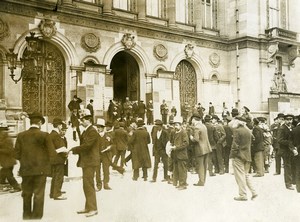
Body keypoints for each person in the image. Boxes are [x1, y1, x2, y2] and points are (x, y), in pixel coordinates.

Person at [14, 111, 55, 220]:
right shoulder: (45, 135)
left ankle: (27, 217)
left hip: (26, 170)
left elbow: (16, 154)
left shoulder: (21, 135)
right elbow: (52, 153)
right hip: (41, 170)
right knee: (39, 194)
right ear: (40, 123)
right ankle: (36, 218)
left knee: (26, 194)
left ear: (30, 122)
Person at [70, 110, 100, 217]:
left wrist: (73, 149)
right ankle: (88, 207)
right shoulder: (86, 130)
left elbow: (87, 146)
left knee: (89, 185)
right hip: (87, 161)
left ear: (88, 120)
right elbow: (83, 142)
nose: (81, 121)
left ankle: (93, 208)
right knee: (86, 185)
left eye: (83, 120)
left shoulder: (92, 131)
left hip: (90, 161)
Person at [230, 116, 257, 201]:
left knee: (240, 176)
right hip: (247, 156)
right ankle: (254, 192)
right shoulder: (248, 131)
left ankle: (243, 194)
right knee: (246, 175)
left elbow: (235, 145)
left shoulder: (237, 131)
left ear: (238, 122)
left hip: (239, 156)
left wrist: (232, 156)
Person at [189, 114, 212, 186]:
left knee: (200, 166)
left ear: (194, 120)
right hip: (206, 148)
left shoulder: (197, 128)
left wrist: (191, 137)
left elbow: (196, 139)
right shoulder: (203, 126)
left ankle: (201, 181)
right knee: (205, 165)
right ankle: (203, 180)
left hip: (200, 149)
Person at [277, 114, 298, 190]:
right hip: (284, 150)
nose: (290, 121)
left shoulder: (292, 127)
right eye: (288, 120)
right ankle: (288, 184)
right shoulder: (282, 128)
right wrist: (289, 143)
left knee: (293, 165)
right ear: (285, 120)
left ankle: (293, 181)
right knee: (287, 166)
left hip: (291, 150)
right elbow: (279, 140)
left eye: (291, 120)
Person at [49, 118, 68, 200]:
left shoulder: (52, 134)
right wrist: (66, 153)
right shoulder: (56, 135)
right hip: (58, 159)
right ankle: (57, 193)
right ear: (58, 125)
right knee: (59, 176)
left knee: (55, 176)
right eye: (60, 125)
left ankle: (53, 193)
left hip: (54, 159)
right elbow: (60, 147)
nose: (61, 126)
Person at [0, 124, 21, 193]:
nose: (1, 133)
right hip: (5, 161)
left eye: (2, 131)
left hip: (8, 161)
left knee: (9, 175)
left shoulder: (7, 140)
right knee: (3, 173)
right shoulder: (3, 139)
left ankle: (17, 187)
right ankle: (2, 182)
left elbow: (9, 150)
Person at [170, 117, 189, 190]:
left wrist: (176, 147)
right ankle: (180, 183)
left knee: (182, 170)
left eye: (177, 125)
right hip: (176, 155)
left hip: (181, 154)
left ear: (181, 125)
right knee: (177, 170)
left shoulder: (183, 132)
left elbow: (186, 143)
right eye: (175, 125)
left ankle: (183, 184)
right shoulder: (175, 132)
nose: (175, 126)